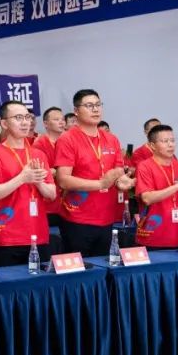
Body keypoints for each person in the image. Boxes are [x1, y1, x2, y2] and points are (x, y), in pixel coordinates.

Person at [55, 89, 134, 257]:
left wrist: (122, 182)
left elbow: (118, 173)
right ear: (76, 111)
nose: (96, 109)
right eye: (89, 105)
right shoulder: (67, 139)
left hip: (107, 217)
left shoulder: (111, 139)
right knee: (78, 268)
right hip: (77, 218)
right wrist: (100, 184)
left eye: (98, 105)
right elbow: (63, 180)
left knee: (103, 266)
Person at [0, 101, 56, 267]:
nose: (25, 122)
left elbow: (52, 194)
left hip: (38, 233)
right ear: (4, 123)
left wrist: (38, 182)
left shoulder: (38, 154)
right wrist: (22, 178)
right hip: (7, 236)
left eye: (27, 117)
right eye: (18, 118)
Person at [135, 125, 178, 249]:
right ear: (152, 145)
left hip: (176, 236)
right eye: (165, 141)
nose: (170, 145)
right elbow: (147, 198)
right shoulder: (144, 166)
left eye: (172, 140)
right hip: (151, 237)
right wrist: (177, 186)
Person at [33, 107, 66, 227]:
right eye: (56, 119)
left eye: (62, 119)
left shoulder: (68, 141)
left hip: (67, 201)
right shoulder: (39, 144)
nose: (61, 122)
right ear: (46, 123)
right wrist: (65, 172)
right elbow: (42, 173)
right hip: (48, 203)